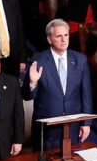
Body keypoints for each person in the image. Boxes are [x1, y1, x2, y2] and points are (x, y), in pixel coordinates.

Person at [23, 19, 93, 149]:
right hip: (47, 128)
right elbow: (27, 96)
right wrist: (32, 83)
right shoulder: (38, 61)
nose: (63, 40)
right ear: (49, 39)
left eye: (66, 35)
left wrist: (86, 123)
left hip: (72, 126)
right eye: (59, 36)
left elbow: (86, 94)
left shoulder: (80, 60)